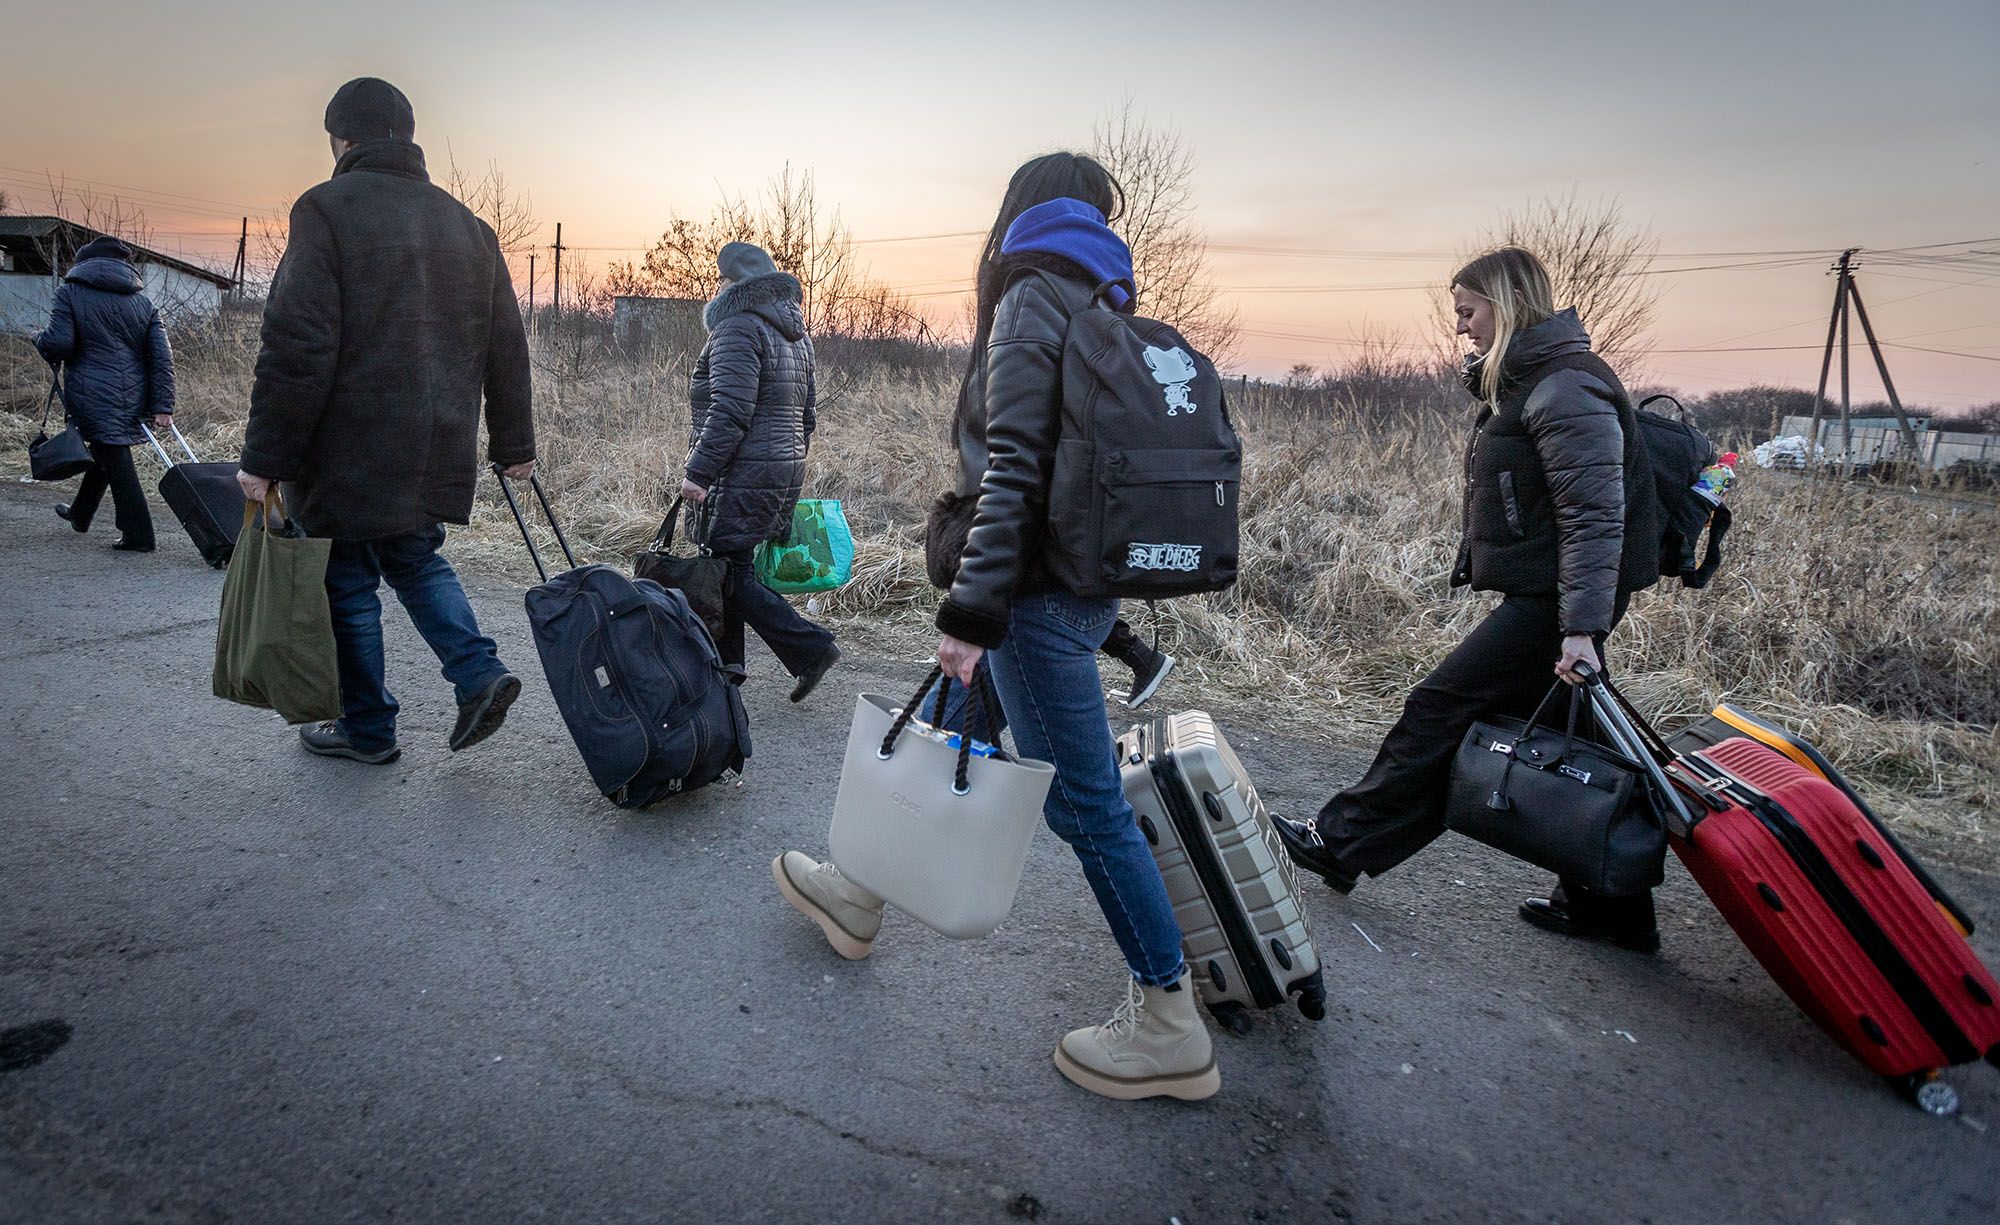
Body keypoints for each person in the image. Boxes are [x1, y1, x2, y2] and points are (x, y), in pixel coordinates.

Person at [773, 154, 1218, 1102]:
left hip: (1034, 597)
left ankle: (1169, 1018)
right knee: (955, 724)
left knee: (1086, 806)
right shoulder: (1102, 304)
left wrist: (971, 612)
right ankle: (857, 888)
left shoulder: (1031, 297)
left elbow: (1012, 467)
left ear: (1018, 211)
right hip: (1078, 583)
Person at [1276, 247, 1665, 951]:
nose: (1461, 328)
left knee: (1439, 707)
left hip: (1555, 605)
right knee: (1576, 739)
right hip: (1554, 598)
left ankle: (1341, 840)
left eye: (1468, 311)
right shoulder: (1538, 382)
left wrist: (1579, 627)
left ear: (1507, 304)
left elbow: (1594, 518)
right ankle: (1614, 909)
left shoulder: (1566, 388)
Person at [237, 77, 536, 766]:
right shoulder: (469, 225)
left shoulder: (326, 210)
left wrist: (264, 457)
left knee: (344, 579)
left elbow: (297, 345)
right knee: (415, 558)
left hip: (348, 446)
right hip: (436, 444)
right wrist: (514, 444)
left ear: (343, 139)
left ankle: (367, 730)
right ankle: (478, 674)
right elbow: (507, 346)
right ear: (407, 135)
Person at [679, 241, 841, 703]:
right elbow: (808, 415)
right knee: (730, 564)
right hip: (782, 466)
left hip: (741, 468)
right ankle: (726, 671)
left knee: (727, 570)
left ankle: (811, 648)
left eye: (719, 279)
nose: (714, 287)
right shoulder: (797, 334)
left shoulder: (736, 328)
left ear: (732, 283)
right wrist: (786, 464)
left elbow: (729, 411)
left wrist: (700, 472)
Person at [34, 235, 176, 553]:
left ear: (84, 264)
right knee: (104, 451)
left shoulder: (70, 292)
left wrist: (37, 338)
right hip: (134, 396)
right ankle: (80, 515)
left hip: (92, 393)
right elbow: (162, 357)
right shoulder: (143, 303)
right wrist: (162, 404)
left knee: (115, 459)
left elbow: (59, 343)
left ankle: (139, 535)